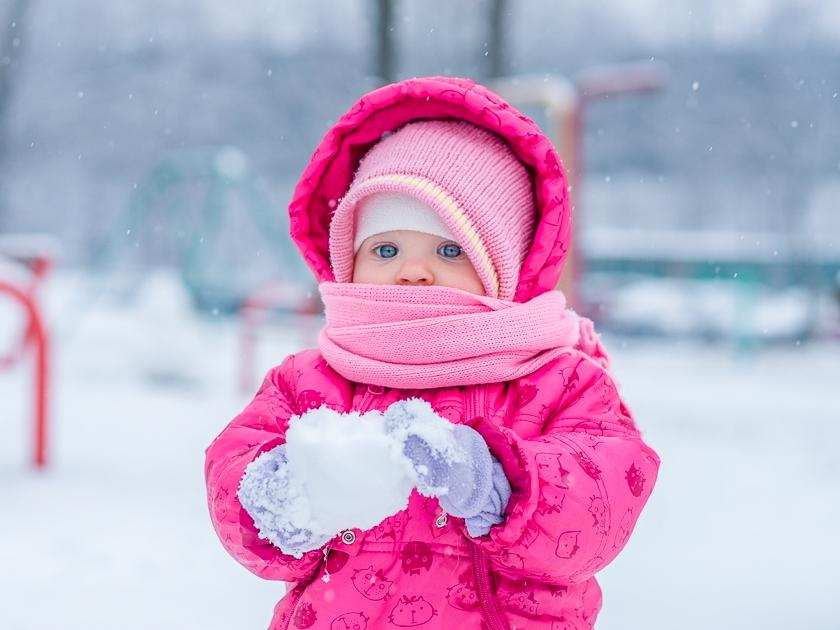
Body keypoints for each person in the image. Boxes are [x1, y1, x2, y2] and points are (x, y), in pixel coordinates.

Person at [205, 76, 660, 630]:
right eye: (386, 248)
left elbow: (604, 501)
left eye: (450, 249)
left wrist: (497, 481)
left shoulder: (558, 379)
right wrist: (285, 495)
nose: (412, 270)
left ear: (503, 264)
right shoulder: (311, 382)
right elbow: (233, 481)